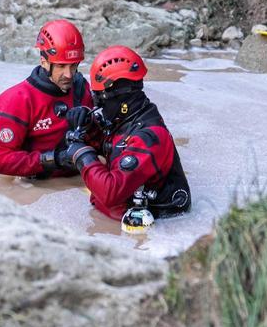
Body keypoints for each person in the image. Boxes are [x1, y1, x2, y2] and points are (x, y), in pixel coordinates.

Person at [60, 46, 191, 230]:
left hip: (155, 230)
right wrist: (86, 124)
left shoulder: (148, 137)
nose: (98, 105)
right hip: (119, 217)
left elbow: (110, 192)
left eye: (101, 99)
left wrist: (81, 154)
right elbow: (109, 144)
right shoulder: (128, 117)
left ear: (121, 100)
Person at [0, 19, 93, 178]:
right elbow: (0, 160)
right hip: (38, 188)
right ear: (43, 61)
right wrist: (54, 159)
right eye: (61, 66)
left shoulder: (81, 88)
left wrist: (89, 118)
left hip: (77, 181)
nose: (69, 74)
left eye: (73, 65)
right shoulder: (16, 100)